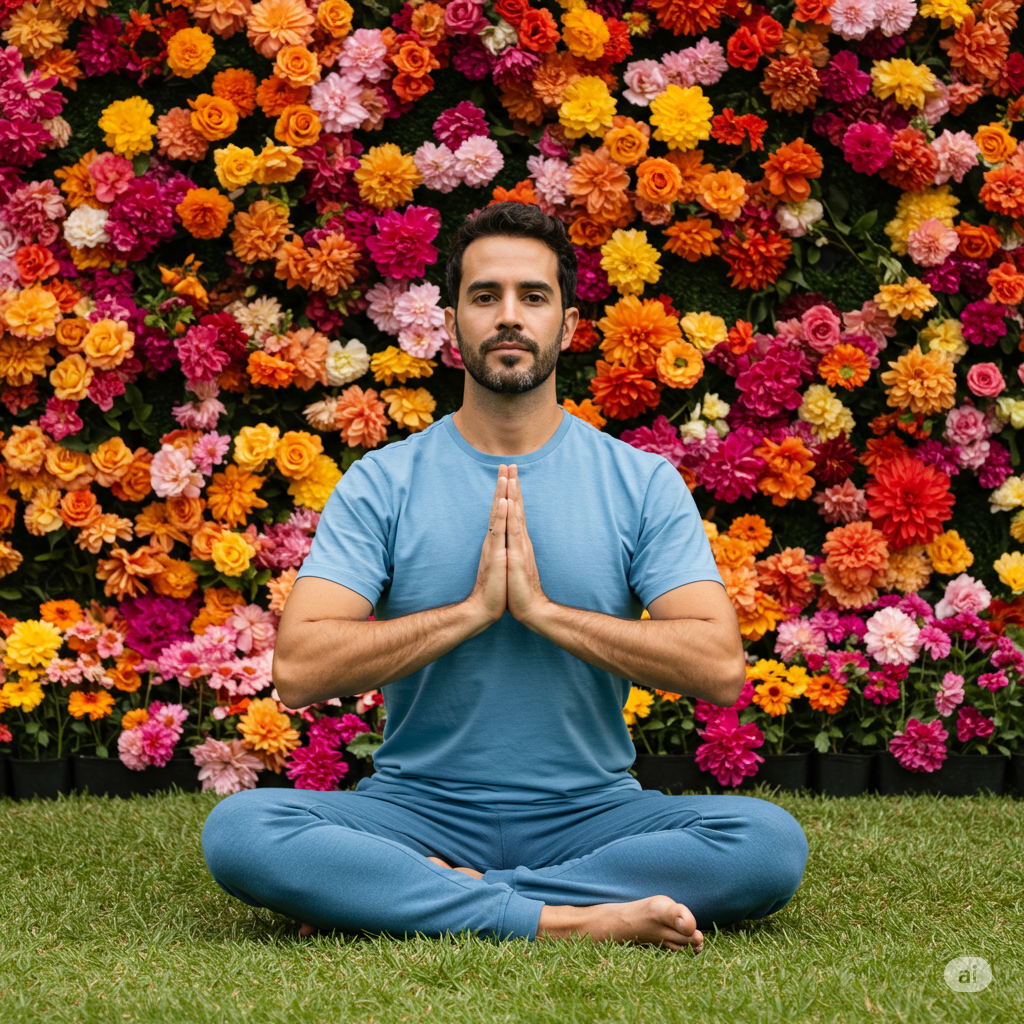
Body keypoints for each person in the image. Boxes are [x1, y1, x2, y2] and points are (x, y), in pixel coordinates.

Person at [202, 203, 808, 952]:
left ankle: (411, 894)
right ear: (452, 319)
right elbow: (297, 670)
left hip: (592, 815)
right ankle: (569, 919)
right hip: (414, 809)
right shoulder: (383, 482)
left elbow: (718, 667)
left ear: (570, 323)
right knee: (241, 830)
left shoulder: (640, 482)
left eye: (533, 295)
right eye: (485, 296)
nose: (509, 316)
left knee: (769, 843)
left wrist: (545, 613)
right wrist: (472, 612)